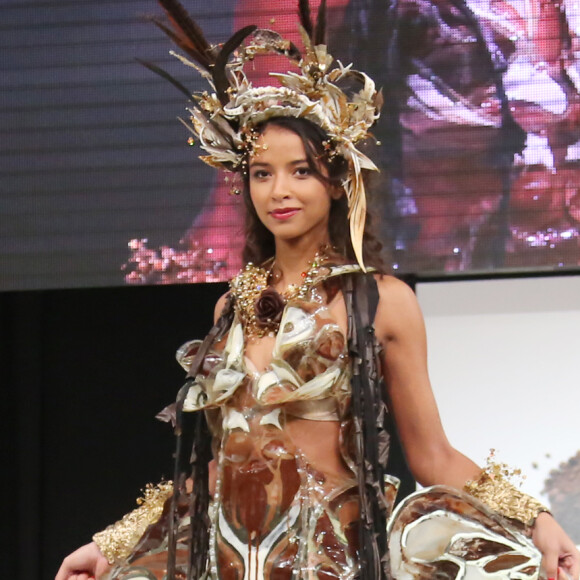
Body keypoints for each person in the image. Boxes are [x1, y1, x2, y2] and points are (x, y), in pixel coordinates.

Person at [56, 1, 580, 578]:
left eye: (300, 170)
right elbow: (215, 472)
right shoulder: (232, 305)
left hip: (334, 562)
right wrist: (111, 543)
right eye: (262, 172)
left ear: (336, 180)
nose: (279, 190)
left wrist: (537, 519)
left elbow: (432, 456)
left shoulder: (382, 301)